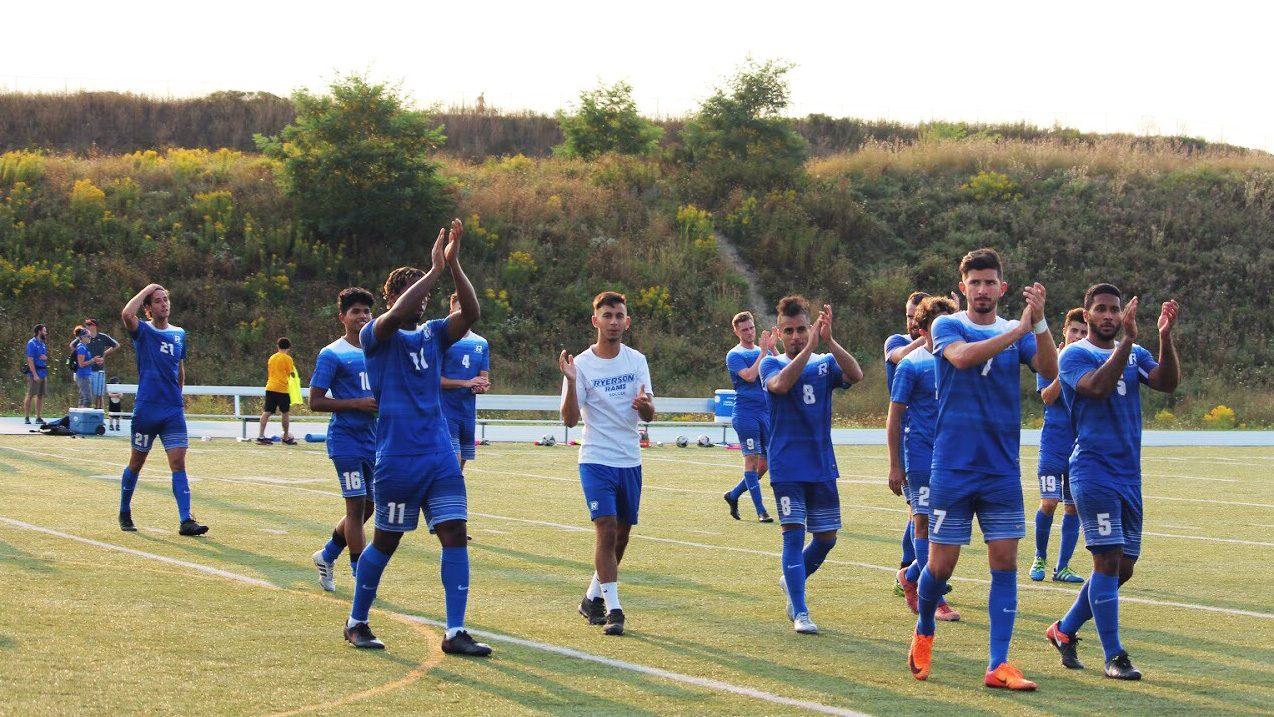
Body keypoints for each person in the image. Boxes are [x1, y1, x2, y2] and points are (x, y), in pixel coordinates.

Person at [907, 248, 1057, 691]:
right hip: (952, 466)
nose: (983, 289)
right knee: (940, 567)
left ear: (1002, 288)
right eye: (975, 282)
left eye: (990, 282)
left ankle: (998, 664)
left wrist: (1041, 323)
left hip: (1001, 470)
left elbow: (1049, 369)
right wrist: (1018, 332)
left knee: (1005, 562)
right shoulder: (947, 325)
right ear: (962, 288)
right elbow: (963, 358)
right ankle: (924, 631)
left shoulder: (1020, 329)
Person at [343, 220, 491, 657]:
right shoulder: (376, 336)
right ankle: (356, 622)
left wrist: (454, 264)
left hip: (439, 457)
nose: (423, 297)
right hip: (398, 460)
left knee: (455, 535)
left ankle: (455, 631)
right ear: (392, 296)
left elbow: (471, 313)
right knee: (387, 542)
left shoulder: (432, 335)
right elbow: (393, 316)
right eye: (413, 290)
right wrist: (430, 270)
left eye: (426, 292)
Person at [1046, 285, 1180, 680]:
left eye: (1115, 310)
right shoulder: (1074, 354)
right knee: (1105, 560)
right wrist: (1129, 341)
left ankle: (1064, 630)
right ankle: (1115, 656)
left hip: (1129, 476)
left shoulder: (1135, 353)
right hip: (1093, 470)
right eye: (1101, 310)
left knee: (1123, 568)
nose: (1109, 316)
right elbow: (1097, 387)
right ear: (1086, 315)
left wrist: (1164, 337)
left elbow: (1167, 383)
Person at [761, 297, 863, 635]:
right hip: (787, 466)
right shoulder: (770, 364)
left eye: (802, 329)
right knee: (793, 536)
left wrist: (830, 342)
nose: (796, 337)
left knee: (827, 538)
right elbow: (781, 385)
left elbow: (856, 374)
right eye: (789, 331)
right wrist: (808, 351)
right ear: (779, 332)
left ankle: (792, 578)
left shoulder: (824, 363)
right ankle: (801, 611)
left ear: (811, 328)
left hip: (820, 464)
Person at [561, 291, 655, 637]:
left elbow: (650, 414)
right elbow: (570, 420)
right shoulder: (581, 365)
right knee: (606, 528)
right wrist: (571, 383)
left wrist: (643, 406)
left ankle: (591, 598)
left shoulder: (636, 361)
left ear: (627, 322)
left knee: (622, 535)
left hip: (630, 459)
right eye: (607, 315)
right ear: (595, 320)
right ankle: (614, 608)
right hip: (596, 458)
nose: (614, 321)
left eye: (619, 316)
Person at [889, 295, 961, 622]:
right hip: (920, 454)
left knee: (947, 531)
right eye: (937, 326)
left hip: (953, 456)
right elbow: (895, 417)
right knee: (923, 522)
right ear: (922, 329)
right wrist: (895, 465)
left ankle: (910, 575)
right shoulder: (911, 364)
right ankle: (932, 596)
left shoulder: (959, 360)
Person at [117, 283, 207, 536]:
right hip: (146, 409)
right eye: (157, 300)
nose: (163, 304)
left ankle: (186, 520)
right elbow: (126, 314)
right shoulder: (142, 330)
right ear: (148, 307)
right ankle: (124, 510)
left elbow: (179, 368)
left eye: (165, 299)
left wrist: (177, 398)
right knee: (136, 462)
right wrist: (147, 289)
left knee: (178, 462)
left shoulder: (179, 333)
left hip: (171, 410)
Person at [310, 287, 379, 591]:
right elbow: (315, 401)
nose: (363, 317)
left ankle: (326, 554)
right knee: (354, 507)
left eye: (367, 311)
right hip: (346, 441)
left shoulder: (379, 350)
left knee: (368, 508)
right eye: (356, 312)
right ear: (342, 317)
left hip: (375, 440)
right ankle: (359, 574)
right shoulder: (332, 353)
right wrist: (356, 403)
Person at [1030, 307, 1089, 583]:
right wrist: (1063, 367)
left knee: (1073, 507)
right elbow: (1048, 397)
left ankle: (1062, 567)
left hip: (1080, 448)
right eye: (1074, 330)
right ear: (1064, 331)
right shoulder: (1049, 359)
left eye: (1084, 332)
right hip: (1053, 445)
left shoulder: (1092, 360)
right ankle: (1039, 557)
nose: (1079, 335)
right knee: (1049, 503)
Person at [884, 291, 928, 591]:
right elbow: (900, 356)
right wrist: (932, 335)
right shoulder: (896, 341)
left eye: (917, 317)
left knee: (920, 511)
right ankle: (914, 574)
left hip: (931, 435)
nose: (911, 321)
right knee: (919, 511)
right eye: (909, 316)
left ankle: (910, 569)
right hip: (907, 435)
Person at [722, 310, 774, 523]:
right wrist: (763, 352)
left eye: (751, 328)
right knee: (751, 462)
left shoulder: (763, 351)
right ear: (736, 331)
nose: (749, 332)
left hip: (766, 412)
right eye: (744, 329)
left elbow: (779, 366)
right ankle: (761, 511)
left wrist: (771, 348)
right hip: (746, 414)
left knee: (767, 463)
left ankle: (733, 495)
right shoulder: (735, 355)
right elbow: (751, 376)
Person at [440, 292, 491, 470]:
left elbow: (483, 378)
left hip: (467, 413)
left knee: (458, 471)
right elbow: (432, 380)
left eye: (468, 309)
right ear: (451, 310)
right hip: (445, 412)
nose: (465, 313)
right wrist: (465, 383)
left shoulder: (481, 343)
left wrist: (481, 386)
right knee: (452, 467)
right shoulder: (442, 340)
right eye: (460, 309)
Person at [72, 318, 120, 411]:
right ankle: (82, 415)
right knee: (84, 395)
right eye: (86, 324)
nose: (87, 326)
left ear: (95, 326)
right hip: (86, 371)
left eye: (89, 324)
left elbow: (116, 345)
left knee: (99, 394)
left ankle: (98, 413)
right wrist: (80, 356)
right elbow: (72, 346)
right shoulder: (83, 337)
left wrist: (104, 354)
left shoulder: (102, 337)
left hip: (98, 370)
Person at [258, 338, 297, 445]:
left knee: (267, 412)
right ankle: (285, 437)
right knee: (285, 413)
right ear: (288, 347)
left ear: (278, 346)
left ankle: (261, 436)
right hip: (282, 389)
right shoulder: (287, 358)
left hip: (270, 387)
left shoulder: (272, 358)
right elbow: (291, 374)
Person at [23, 324, 49, 424]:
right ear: (39, 332)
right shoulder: (31, 343)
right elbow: (30, 359)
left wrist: (45, 358)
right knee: (30, 394)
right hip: (35, 372)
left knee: (40, 395)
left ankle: (38, 417)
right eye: (44, 331)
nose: (46, 333)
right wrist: (34, 374)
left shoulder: (42, 344)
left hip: (43, 372)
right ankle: (26, 417)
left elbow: (42, 357)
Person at [72, 326, 94, 408]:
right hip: (82, 375)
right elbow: (81, 364)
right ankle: (84, 417)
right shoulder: (81, 347)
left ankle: (80, 418)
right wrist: (93, 360)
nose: (90, 338)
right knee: (88, 399)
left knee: (82, 398)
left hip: (85, 375)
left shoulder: (84, 347)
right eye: (88, 336)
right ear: (82, 337)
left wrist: (94, 360)